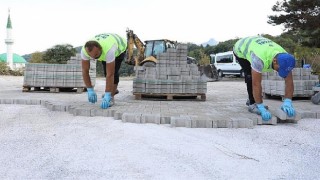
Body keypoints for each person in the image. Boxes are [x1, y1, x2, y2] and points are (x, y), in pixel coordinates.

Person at [233, 36, 296, 121]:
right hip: (240, 49)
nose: (279, 72)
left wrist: (288, 101)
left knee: (254, 77)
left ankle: (255, 99)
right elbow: (256, 84)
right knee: (250, 76)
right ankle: (253, 103)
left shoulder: (285, 58)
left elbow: (289, 81)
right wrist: (261, 107)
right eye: (279, 69)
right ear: (274, 61)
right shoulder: (259, 59)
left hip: (258, 46)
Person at [81, 33, 127, 109]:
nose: (94, 58)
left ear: (100, 49)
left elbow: (110, 74)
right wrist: (90, 89)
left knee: (113, 72)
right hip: (106, 46)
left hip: (120, 47)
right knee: (106, 71)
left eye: (96, 55)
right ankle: (113, 89)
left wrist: (108, 95)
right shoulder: (84, 51)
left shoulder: (109, 49)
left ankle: (111, 96)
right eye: (91, 56)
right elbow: (85, 71)